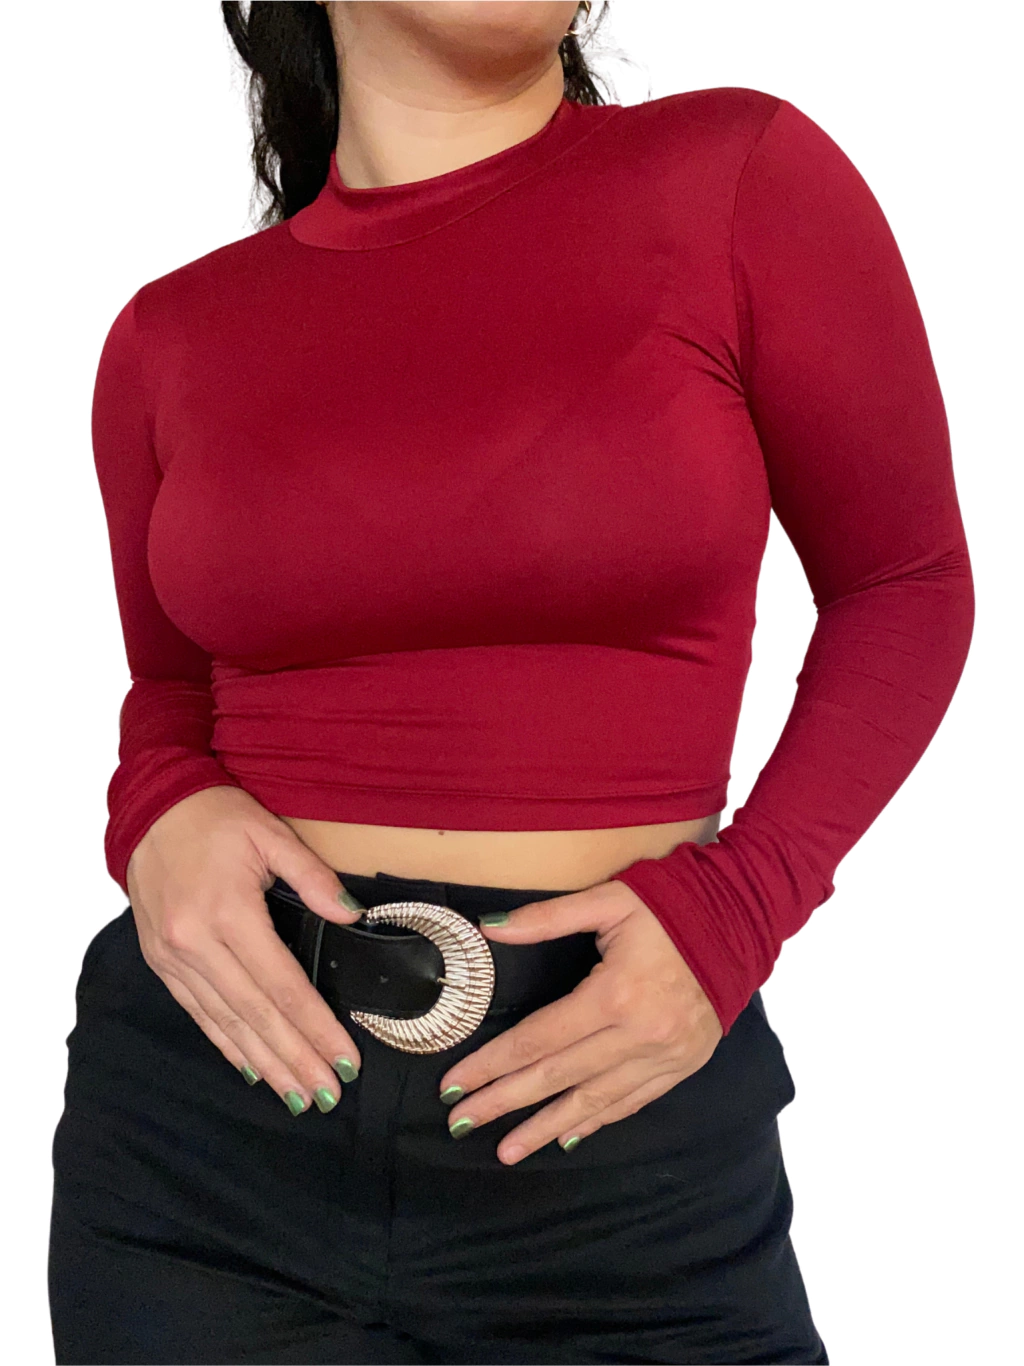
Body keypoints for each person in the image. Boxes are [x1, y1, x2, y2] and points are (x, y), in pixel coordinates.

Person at [47, 2, 974, 1362]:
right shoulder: (169, 336)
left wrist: (741, 904)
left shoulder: (736, 179)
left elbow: (906, 583)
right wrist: (157, 809)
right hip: (208, 1128)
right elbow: (170, 694)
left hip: (613, 1129)